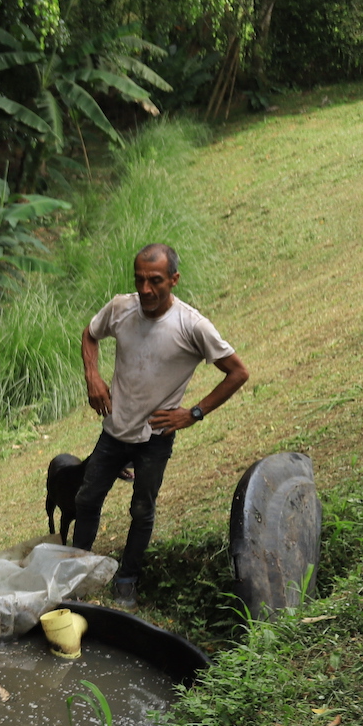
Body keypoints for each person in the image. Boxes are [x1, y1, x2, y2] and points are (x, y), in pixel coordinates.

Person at [73, 243, 250, 609]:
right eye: (139, 279)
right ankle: (75, 570)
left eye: (155, 281)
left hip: (155, 437)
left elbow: (238, 372)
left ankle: (127, 579)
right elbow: (90, 335)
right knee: (87, 498)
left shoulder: (192, 326)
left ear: (174, 279)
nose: (145, 290)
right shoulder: (121, 308)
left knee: (141, 508)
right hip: (114, 428)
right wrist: (93, 375)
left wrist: (194, 413)